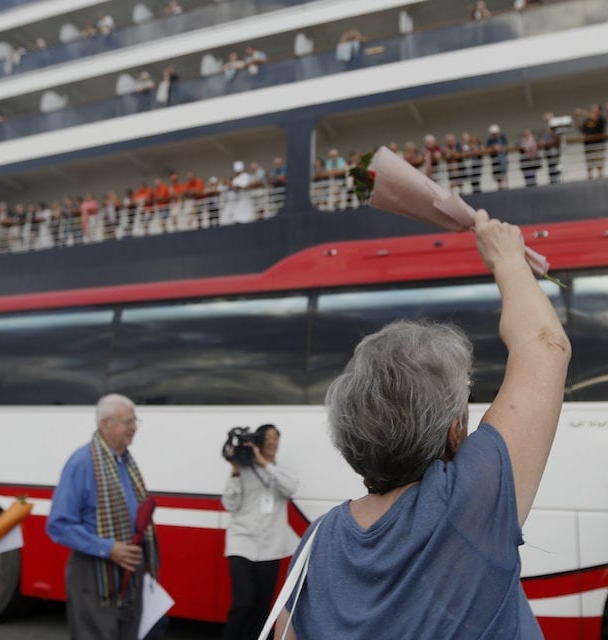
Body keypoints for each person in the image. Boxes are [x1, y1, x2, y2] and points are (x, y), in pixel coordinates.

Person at [275, 209, 571, 638]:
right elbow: (546, 346)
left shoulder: (316, 542)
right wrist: (506, 256)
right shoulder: (469, 501)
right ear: (455, 435)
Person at [46, 394, 158, 640]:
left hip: (129, 572)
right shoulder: (82, 463)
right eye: (128, 421)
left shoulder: (125, 462)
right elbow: (59, 524)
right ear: (105, 424)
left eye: (135, 420)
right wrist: (108, 548)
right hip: (95, 571)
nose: (134, 427)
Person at [221, 424, 300, 640]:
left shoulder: (282, 472)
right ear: (258, 442)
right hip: (242, 544)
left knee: (262, 606)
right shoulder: (242, 470)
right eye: (268, 438)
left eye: (276, 438)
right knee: (243, 602)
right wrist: (235, 471)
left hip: (271, 548)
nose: (273, 442)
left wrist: (266, 465)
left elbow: (290, 488)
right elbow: (230, 504)